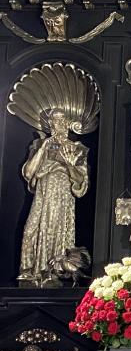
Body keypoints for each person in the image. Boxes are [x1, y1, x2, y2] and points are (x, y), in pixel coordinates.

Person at [18, 109, 89, 286]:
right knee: (30, 230)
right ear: (50, 125)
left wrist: (69, 166)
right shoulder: (39, 145)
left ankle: (51, 272)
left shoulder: (76, 148)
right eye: (56, 121)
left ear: (68, 124)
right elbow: (29, 172)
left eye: (63, 121)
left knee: (56, 231)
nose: (60, 125)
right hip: (43, 195)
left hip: (62, 196)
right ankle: (29, 271)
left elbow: (81, 181)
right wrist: (43, 147)